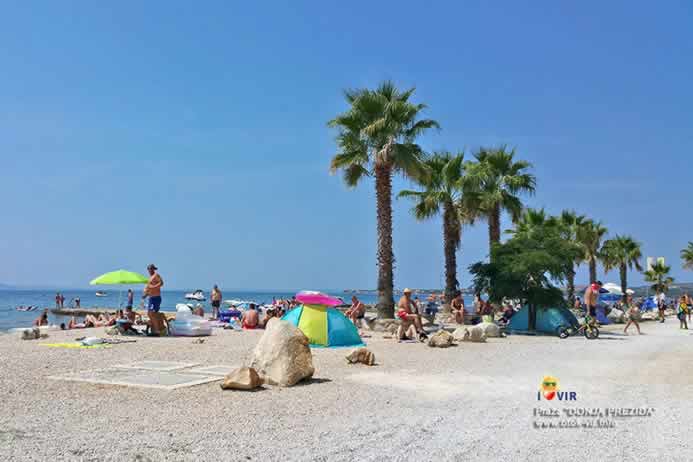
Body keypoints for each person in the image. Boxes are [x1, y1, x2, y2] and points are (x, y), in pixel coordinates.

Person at [143, 264, 165, 335]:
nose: (150, 270)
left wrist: (153, 287)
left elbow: (161, 283)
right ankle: (155, 329)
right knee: (151, 314)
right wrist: (145, 295)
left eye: (151, 269)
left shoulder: (156, 275)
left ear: (153, 269)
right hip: (151, 298)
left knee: (151, 314)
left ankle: (157, 330)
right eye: (149, 269)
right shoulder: (150, 278)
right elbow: (149, 289)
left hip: (156, 298)